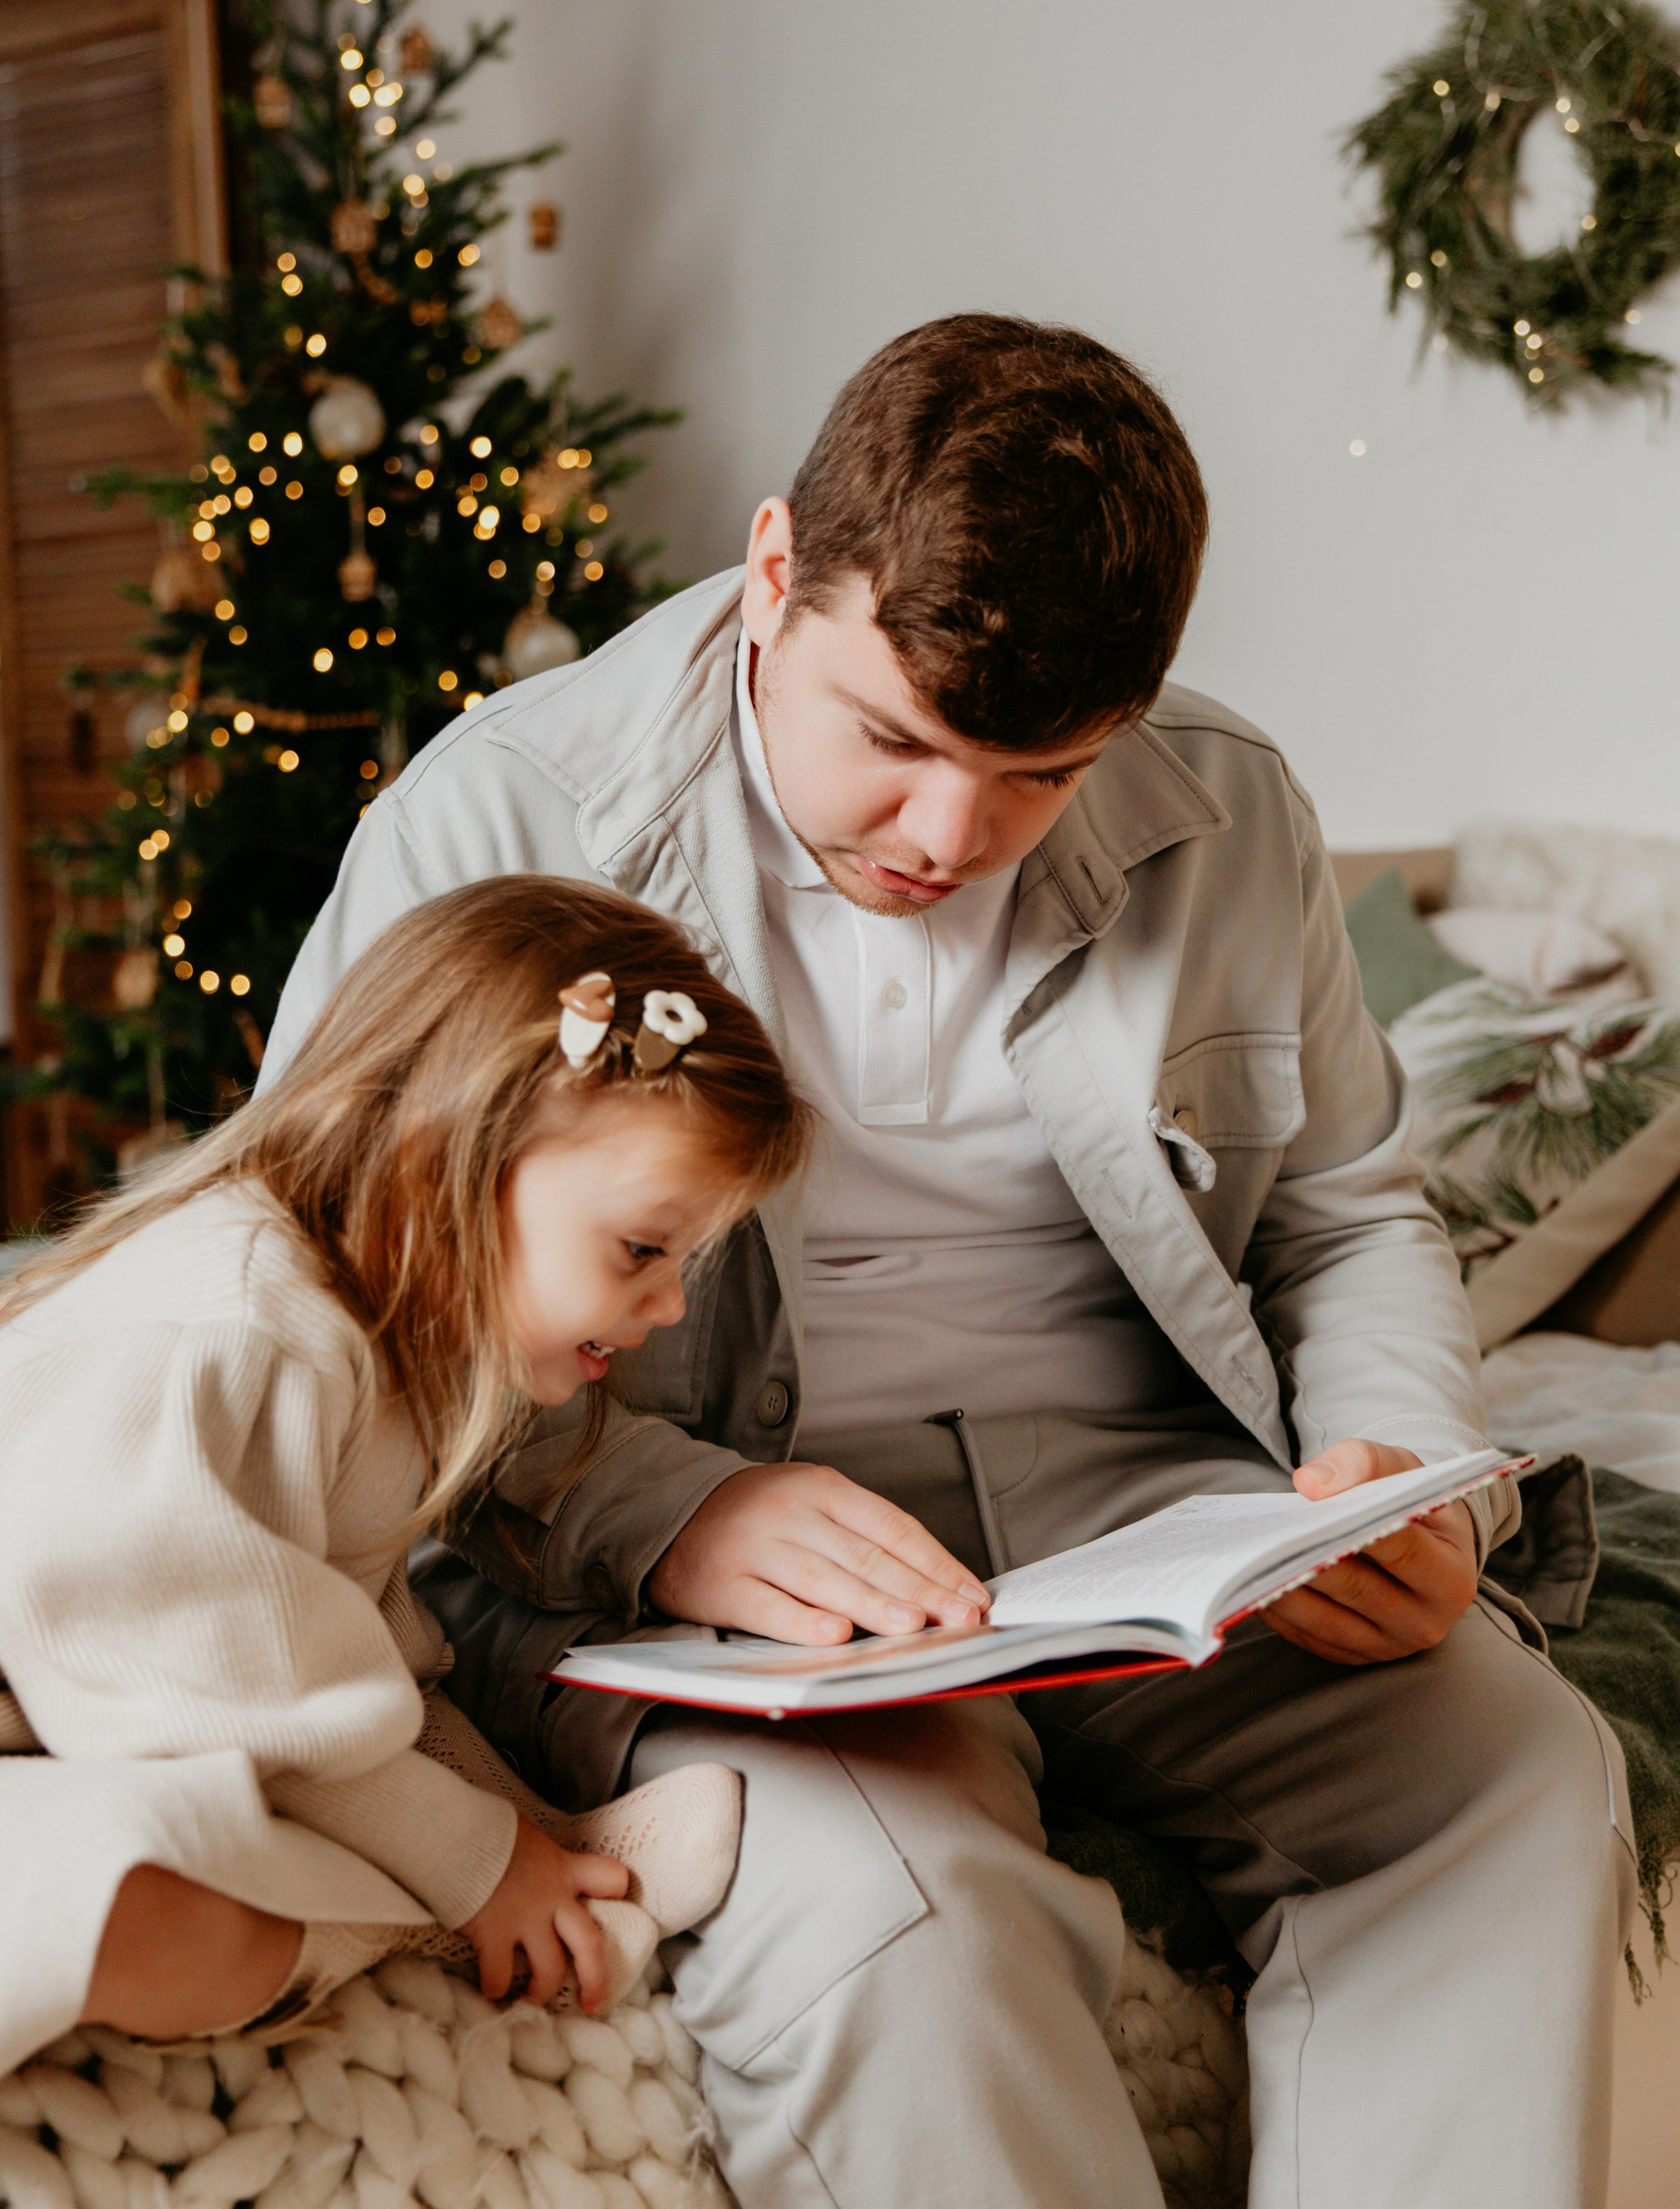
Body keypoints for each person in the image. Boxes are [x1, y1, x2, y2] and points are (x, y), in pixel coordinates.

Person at [265, 315, 1635, 2209]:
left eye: (1042, 776)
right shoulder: (501, 818)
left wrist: (1401, 1469)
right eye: (892, 741)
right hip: (687, 1548)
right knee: (912, 1922)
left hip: (1155, 1514)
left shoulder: (1231, 808)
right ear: (772, 574)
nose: (948, 835)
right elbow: (344, 1300)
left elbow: (1344, 1208)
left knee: (1519, 1778)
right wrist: (667, 1509)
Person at [0, 877, 808, 2074]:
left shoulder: (390, 1353)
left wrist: (519, 1834)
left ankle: (479, 1881)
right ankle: (422, 1917)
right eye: (643, 1249)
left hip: (119, 1729)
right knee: (169, 1914)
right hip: (91, 1720)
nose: (670, 1306)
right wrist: (477, 1861)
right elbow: (219, 1696)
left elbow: (352, 1678)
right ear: (443, 1171)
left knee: (244, 1869)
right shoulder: (239, 1332)